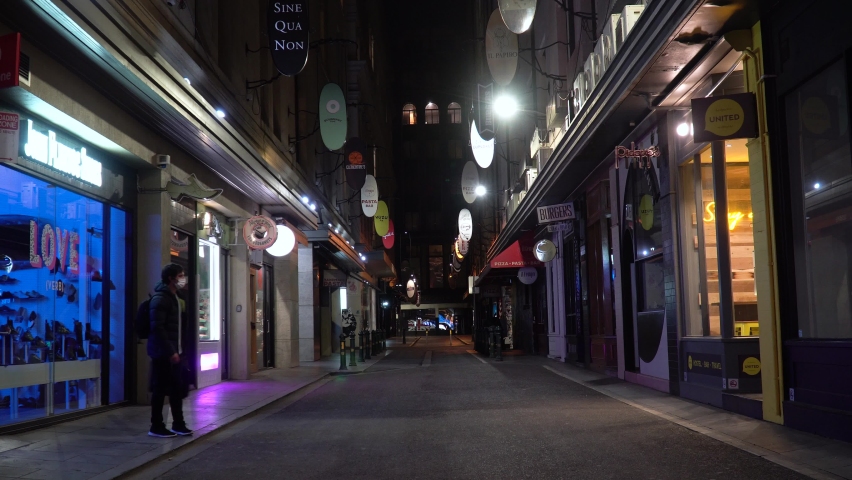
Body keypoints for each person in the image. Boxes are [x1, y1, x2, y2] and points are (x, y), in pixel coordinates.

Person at [147, 263, 192, 438]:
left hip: (176, 352)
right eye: (180, 275)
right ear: (170, 279)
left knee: (176, 390)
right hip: (162, 354)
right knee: (160, 390)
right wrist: (170, 351)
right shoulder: (161, 299)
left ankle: (178, 424)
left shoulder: (177, 298)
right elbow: (157, 328)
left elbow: (179, 327)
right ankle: (156, 426)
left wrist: (180, 351)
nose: (183, 279)